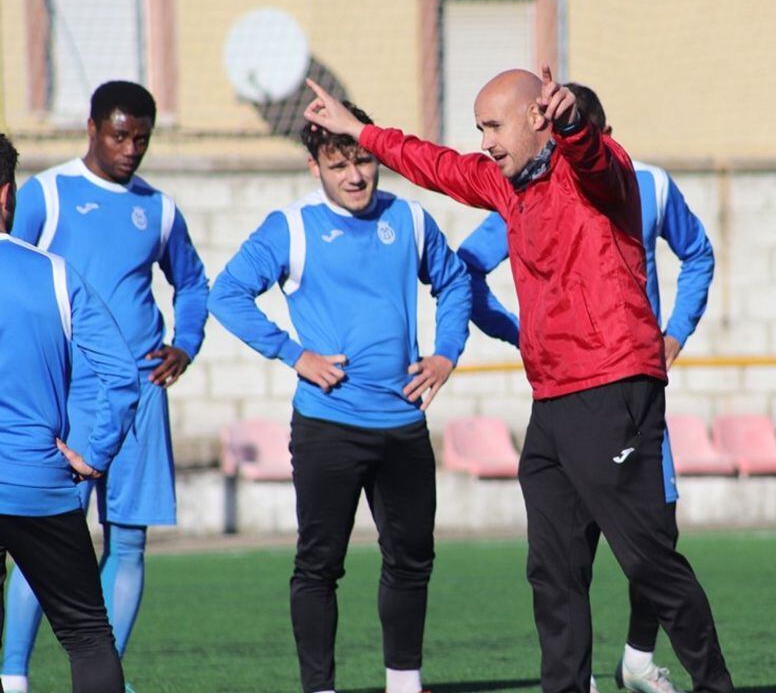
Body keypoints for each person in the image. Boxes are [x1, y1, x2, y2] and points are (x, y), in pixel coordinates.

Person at [303, 69, 735, 693]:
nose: (484, 141)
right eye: (480, 128)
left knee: (646, 559)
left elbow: (595, 160)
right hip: (553, 401)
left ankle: (715, 685)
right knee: (552, 571)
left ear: (538, 118)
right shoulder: (510, 189)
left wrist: (575, 126)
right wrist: (361, 131)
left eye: (493, 126)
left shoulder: (599, 167)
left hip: (611, 389)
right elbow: (438, 166)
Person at [457, 81, 716, 693]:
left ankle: (636, 656)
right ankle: (583, 674)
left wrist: (674, 332)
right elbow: (467, 264)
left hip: (631, 389)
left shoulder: (642, 183)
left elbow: (698, 254)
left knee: (653, 542)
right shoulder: (531, 188)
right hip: (567, 390)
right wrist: (520, 331)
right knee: (561, 558)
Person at [208, 101, 470, 693]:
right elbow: (227, 294)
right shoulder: (292, 227)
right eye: (338, 164)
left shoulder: (411, 219)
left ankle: (404, 682)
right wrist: (292, 353)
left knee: (411, 561)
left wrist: (446, 353)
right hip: (329, 428)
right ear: (313, 167)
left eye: (364, 160)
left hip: (403, 425)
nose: (355, 175)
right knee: (319, 565)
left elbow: (454, 283)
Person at [2, 81, 209, 693]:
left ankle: (103, 671)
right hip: (63, 400)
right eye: (120, 135)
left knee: (129, 539)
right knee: (46, 533)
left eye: (141, 138)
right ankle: (14, 670)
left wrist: (185, 343)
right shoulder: (49, 194)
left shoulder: (160, 208)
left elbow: (193, 283)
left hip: (140, 392)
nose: (130, 149)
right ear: (92, 128)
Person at [0, 132, 140, 693]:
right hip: (38, 481)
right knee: (86, 636)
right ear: (6, 193)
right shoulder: (54, 274)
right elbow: (123, 376)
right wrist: (96, 453)